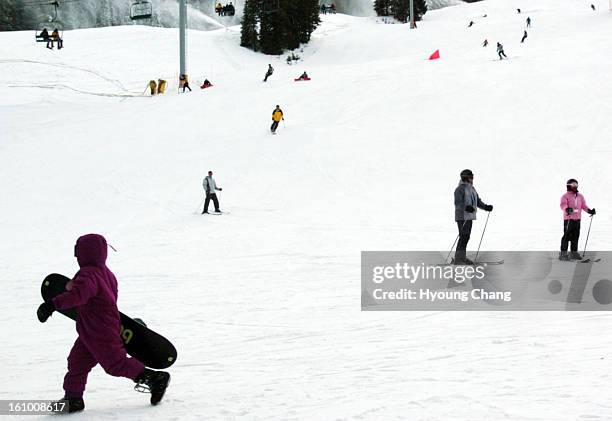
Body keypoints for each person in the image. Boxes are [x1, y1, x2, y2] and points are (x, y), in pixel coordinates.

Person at [36, 234, 170, 413]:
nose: (76, 256)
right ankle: (73, 398)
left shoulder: (88, 274)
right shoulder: (106, 274)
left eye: (77, 252)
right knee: (77, 362)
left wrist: (52, 304)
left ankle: (154, 378)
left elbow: (79, 295)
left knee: (115, 364)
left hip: (101, 331)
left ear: (83, 253)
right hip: (89, 331)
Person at [453, 169, 493, 265]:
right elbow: (458, 203)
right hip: (462, 216)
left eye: (472, 177)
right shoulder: (459, 189)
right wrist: (466, 208)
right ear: (465, 177)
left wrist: (486, 207)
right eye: (471, 177)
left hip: (470, 216)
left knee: (466, 237)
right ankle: (459, 259)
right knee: (464, 236)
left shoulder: (472, 189)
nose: (472, 178)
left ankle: (461, 257)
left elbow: (477, 201)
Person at [559, 179, 595, 260]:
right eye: (573, 184)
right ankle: (563, 254)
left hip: (577, 219)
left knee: (575, 236)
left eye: (576, 184)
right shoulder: (565, 196)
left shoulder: (580, 196)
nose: (575, 186)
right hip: (569, 219)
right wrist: (567, 209)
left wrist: (590, 211)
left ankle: (573, 253)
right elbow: (563, 205)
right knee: (567, 236)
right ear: (569, 185)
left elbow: (584, 206)